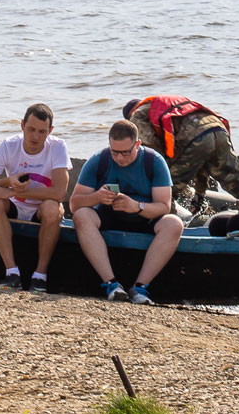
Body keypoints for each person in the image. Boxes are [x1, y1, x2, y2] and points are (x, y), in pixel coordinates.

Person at [71, 119, 183, 304]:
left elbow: (164, 206)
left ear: (137, 144)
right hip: (108, 216)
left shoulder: (153, 161)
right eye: (115, 152)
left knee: (174, 224)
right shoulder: (99, 160)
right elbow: (75, 204)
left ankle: (140, 288)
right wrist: (97, 197)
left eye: (126, 152)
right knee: (82, 215)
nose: (120, 158)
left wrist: (137, 207)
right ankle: (111, 284)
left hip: (145, 219)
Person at [0, 104, 71, 292]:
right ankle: (12, 272)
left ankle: (40, 276)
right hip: (16, 207)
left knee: (53, 208)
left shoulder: (57, 147)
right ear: (22, 125)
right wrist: (7, 181)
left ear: (50, 131)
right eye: (31, 129)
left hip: (42, 209)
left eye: (42, 132)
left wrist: (13, 192)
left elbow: (59, 193)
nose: (35, 137)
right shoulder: (9, 145)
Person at [124, 95, 239, 207]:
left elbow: (153, 153)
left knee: (166, 189)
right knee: (237, 182)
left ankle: (166, 224)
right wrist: (200, 193)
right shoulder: (162, 104)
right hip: (218, 128)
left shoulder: (137, 115)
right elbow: (200, 161)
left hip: (196, 137)